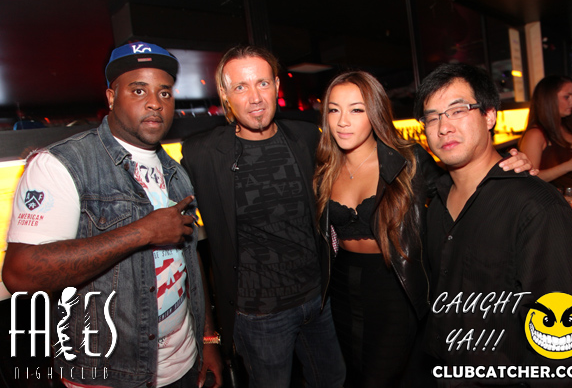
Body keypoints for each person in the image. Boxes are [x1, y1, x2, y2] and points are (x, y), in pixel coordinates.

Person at [2, 41, 222, 388]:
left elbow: (189, 262)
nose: (155, 102)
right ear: (111, 96)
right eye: (139, 90)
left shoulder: (176, 172)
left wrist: (208, 340)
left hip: (183, 364)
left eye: (165, 93)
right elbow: (20, 273)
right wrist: (143, 232)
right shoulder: (62, 165)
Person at [313, 71, 534, 387]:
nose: (343, 121)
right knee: (356, 371)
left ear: (375, 112)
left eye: (356, 109)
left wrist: (511, 166)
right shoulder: (324, 166)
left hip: (394, 283)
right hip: (342, 286)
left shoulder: (408, 160)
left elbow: (462, 181)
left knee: (381, 377)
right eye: (334, 110)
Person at [415, 63, 572, 387]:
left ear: (489, 116)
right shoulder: (436, 205)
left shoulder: (535, 207)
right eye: (432, 117)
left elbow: (566, 338)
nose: (443, 127)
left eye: (458, 111)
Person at [180, 45, 345, 387]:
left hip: (317, 300)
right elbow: (181, 239)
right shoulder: (203, 154)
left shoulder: (305, 138)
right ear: (225, 95)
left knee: (333, 379)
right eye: (241, 87)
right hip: (260, 316)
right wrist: (208, 334)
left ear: (277, 86)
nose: (255, 98)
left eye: (263, 83)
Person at [519, 75, 572, 190]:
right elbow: (528, 179)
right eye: (567, 97)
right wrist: (569, 165)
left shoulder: (568, 126)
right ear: (549, 99)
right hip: (551, 199)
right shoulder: (536, 134)